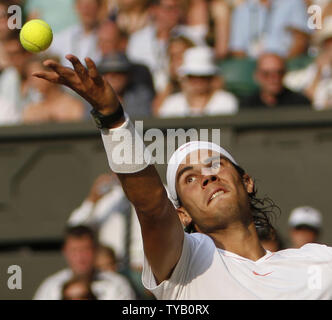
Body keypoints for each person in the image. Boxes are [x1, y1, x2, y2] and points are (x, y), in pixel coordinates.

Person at [33, 53, 332, 299]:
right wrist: (112, 117)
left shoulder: (317, 262)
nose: (206, 177)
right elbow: (151, 206)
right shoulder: (188, 263)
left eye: (215, 165)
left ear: (246, 181)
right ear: (183, 214)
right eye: (189, 178)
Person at [34, 225, 136, 300]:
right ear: (65, 252)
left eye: (85, 250)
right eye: (74, 250)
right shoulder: (50, 287)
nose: (80, 258)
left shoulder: (117, 286)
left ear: (95, 250)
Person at [67, 173, 144, 271]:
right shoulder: (106, 200)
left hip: (145, 270)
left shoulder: (158, 193)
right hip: (109, 270)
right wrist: (92, 199)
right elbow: (74, 228)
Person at [157, 46, 238, 117]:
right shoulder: (172, 103)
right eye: (192, 76)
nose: (198, 81)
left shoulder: (225, 101)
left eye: (203, 76)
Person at [229, 0, 311, 59]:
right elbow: (237, 50)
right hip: (253, 68)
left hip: (285, 65)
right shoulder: (242, 10)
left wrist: (277, 65)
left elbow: (301, 41)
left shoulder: (294, 3)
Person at [23, 56, 85, 124]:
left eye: (37, 76)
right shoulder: (31, 111)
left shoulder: (73, 106)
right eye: (29, 76)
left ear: (51, 73)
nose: (31, 81)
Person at [241, 53, 311, 109]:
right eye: (266, 74)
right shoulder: (246, 106)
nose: (274, 79)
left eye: (279, 73)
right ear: (257, 76)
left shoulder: (300, 105)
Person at [97, 53, 153, 117]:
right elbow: (91, 124)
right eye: (107, 72)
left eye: (119, 71)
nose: (114, 76)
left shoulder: (141, 95)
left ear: (128, 75)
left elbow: (140, 123)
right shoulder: (93, 98)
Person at [49, 0, 103, 67]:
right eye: (82, 5)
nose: (86, 9)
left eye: (91, 5)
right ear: (76, 7)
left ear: (99, 7)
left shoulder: (107, 37)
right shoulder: (65, 36)